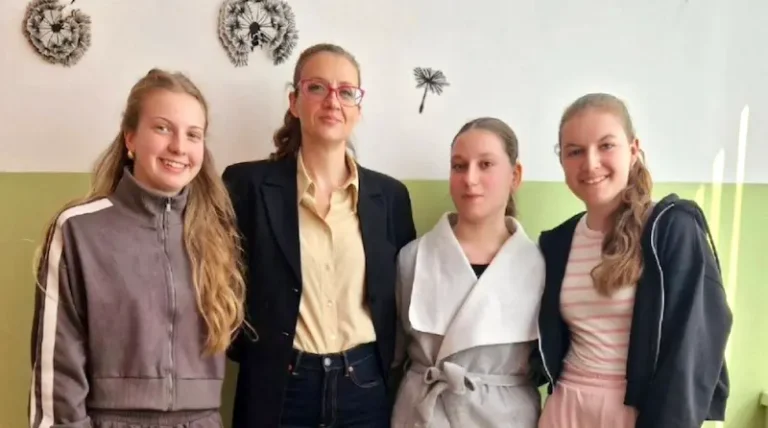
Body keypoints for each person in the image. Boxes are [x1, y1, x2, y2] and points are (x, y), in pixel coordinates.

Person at [28, 69, 246, 428]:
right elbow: (58, 372)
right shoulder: (78, 230)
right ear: (131, 138)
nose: (179, 146)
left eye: (193, 134)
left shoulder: (218, 233)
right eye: (162, 128)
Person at [222, 43, 417, 428]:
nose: (332, 101)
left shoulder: (390, 197)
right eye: (317, 87)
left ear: (358, 108)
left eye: (346, 92)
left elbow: (401, 300)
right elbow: (222, 286)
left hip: (364, 387)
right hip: (279, 386)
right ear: (294, 102)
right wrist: (261, 355)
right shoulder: (247, 185)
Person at [536, 93, 732, 428]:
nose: (590, 163)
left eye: (606, 145)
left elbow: (691, 352)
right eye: (575, 151)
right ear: (562, 161)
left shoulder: (672, 229)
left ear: (633, 149)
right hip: (563, 411)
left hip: (634, 415)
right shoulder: (557, 242)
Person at [391, 117, 545, 427]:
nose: (469, 179)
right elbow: (393, 358)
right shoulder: (413, 258)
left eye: (485, 164)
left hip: (507, 418)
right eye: (459, 166)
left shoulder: (539, 266)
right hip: (423, 414)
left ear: (515, 175)